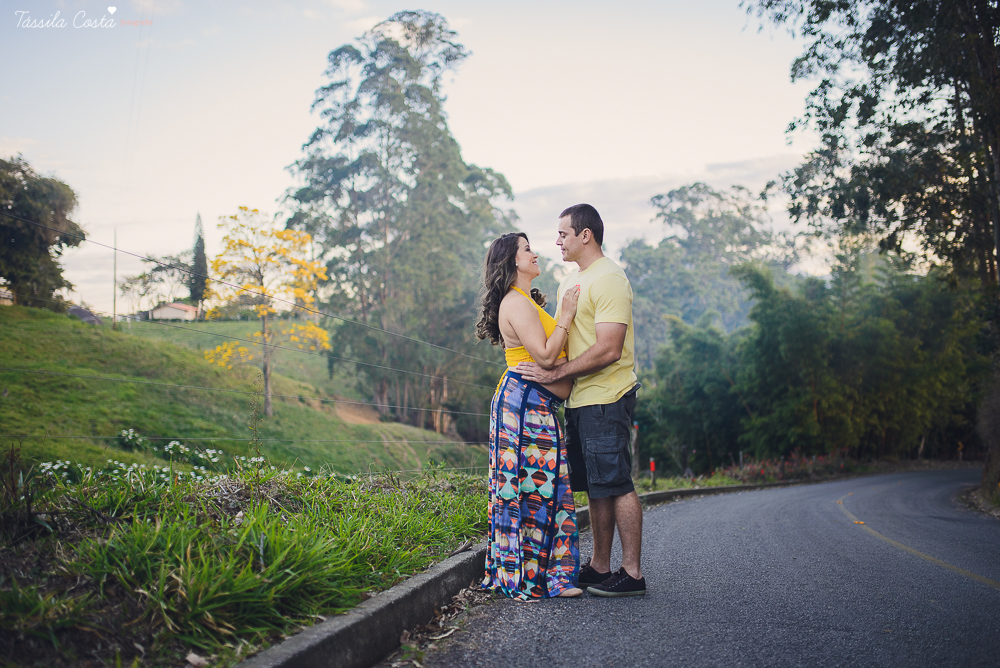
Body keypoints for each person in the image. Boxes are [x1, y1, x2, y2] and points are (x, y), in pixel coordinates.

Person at [516, 203, 645, 597]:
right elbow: (565, 339)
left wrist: (555, 374)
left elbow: (608, 348)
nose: (556, 241)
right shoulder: (570, 281)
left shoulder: (609, 279)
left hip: (607, 397)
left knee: (617, 483)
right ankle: (600, 567)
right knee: (595, 486)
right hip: (580, 401)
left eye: (563, 234)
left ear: (585, 235)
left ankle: (633, 573)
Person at [476, 232, 583, 599]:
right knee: (532, 488)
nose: (535, 254)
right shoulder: (516, 303)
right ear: (512, 262)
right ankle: (532, 577)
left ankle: (545, 573)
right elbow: (546, 356)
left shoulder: (524, 301)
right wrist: (566, 316)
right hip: (524, 408)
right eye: (527, 250)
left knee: (540, 486)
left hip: (536, 405)